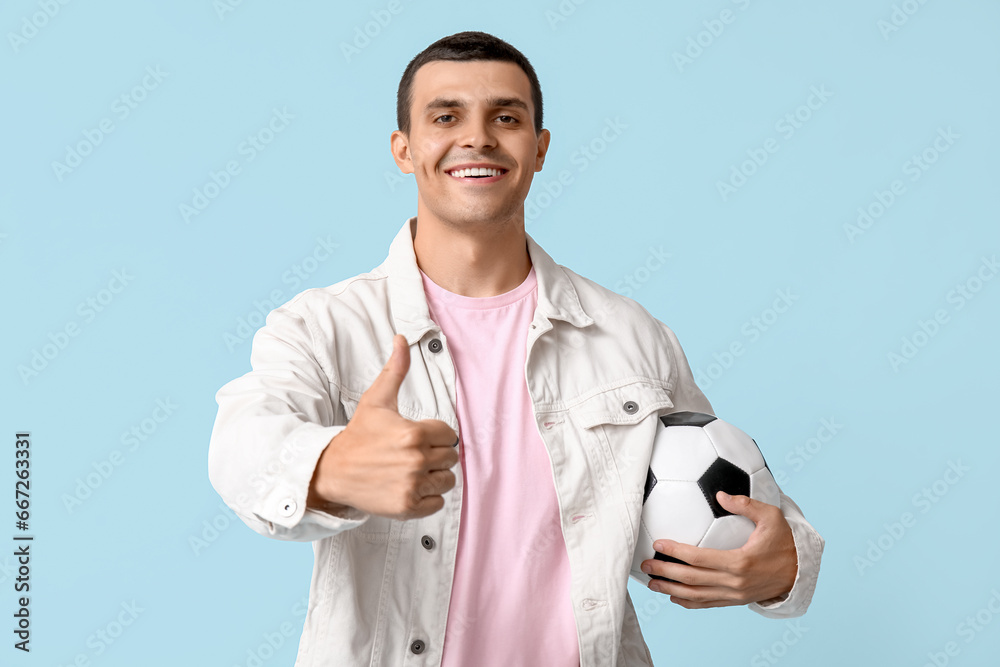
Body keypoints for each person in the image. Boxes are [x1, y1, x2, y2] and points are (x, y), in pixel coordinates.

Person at [208, 30, 825, 667]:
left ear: (539, 149)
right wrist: (331, 468)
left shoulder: (630, 334)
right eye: (445, 116)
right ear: (404, 149)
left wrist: (784, 569)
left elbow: (753, 507)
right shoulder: (323, 325)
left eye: (507, 117)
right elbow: (241, 443)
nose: (477, 137)